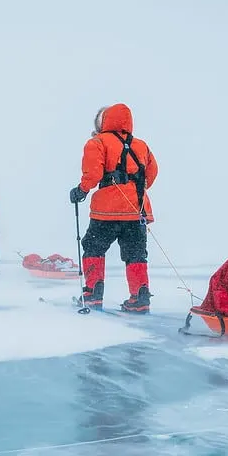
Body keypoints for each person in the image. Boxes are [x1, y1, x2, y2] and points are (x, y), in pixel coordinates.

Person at [69, 103, 158, 313]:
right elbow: (152, 172)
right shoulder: (142, 145)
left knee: (93, 248)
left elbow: (93, 174)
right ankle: (140, 296)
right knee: (136, 253)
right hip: (137, 211)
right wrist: (135, 188)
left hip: (106, 212)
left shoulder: (97, 142)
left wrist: (80, 191)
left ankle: (93, 292)